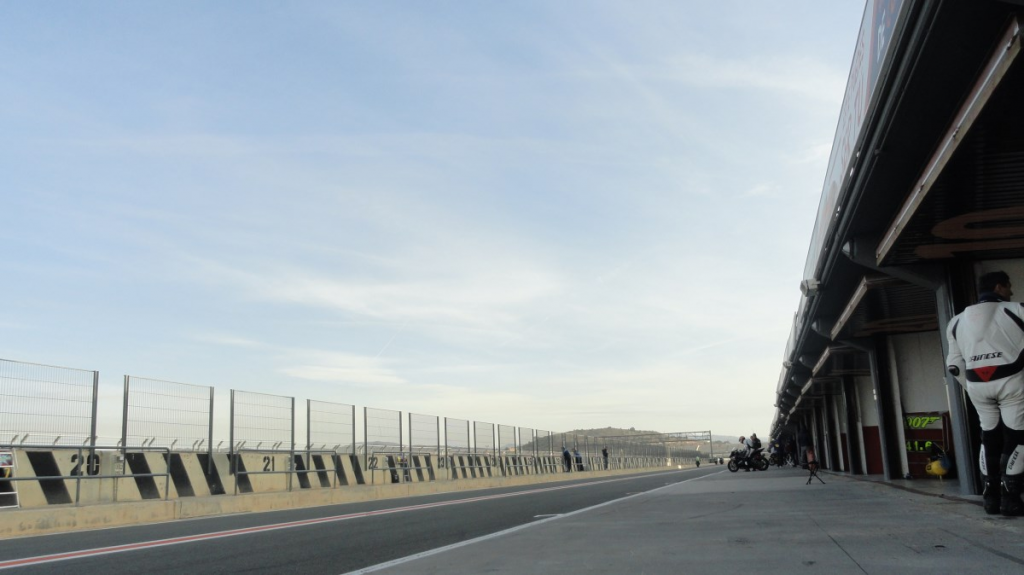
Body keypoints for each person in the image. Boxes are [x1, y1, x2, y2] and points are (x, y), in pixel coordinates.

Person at [947, 270, 1024, 516]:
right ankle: (1011, 499)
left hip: (976, 386)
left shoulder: (956, 321)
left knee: (989, 436)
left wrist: (971, 386)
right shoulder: (1018, 309)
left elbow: (954, 366)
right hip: (1013, 382)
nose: (1011, 291)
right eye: (1008, 286)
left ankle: (990, 498)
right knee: (1017, 436)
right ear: (999, 287)